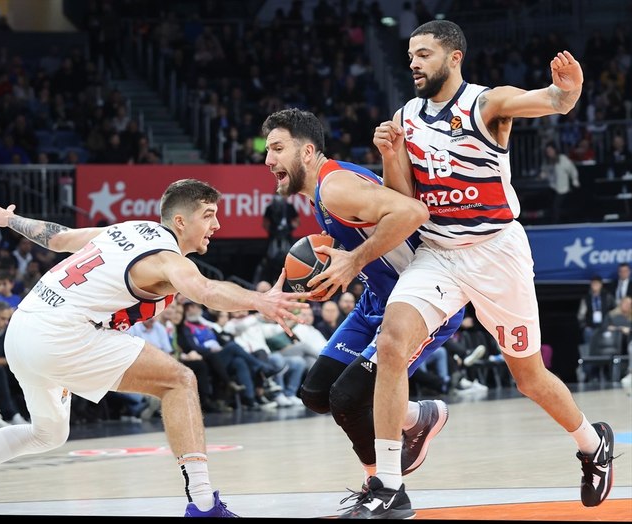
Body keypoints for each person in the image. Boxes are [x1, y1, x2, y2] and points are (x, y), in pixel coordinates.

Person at [0, 180, 311, 518]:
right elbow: (207, 291)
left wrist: (8, 219)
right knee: (179, 380)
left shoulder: (126, 229)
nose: (217, 225)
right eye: (209, 215)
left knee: (48, 435)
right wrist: (262, 301)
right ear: (181, 221)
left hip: (24, 325)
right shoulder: (166, 257)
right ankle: (204, 505)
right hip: (61, 335)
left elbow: (58, 239)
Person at [368, 19, 614, 517]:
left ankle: (592, 444)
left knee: (529, 378)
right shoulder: (405, 116)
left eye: (424, 54)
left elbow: (550, 101)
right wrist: (391, 154)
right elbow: (406, 200)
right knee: (391, 343)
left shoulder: (487, 103)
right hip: (438, 251)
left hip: (496, 252)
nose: (413, 63)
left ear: (453, 57)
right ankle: (388, 486)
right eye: (410, 55)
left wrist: (568, 92)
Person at [261, 107, 464, 518]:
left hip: (421, 303)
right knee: (317, 393)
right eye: (266, 150)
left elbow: (413, 213)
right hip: (376, 301)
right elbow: (382, 233)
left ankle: (385, 489)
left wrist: (352, 262)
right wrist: (329, 276)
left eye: (278, 148)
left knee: (348, 397)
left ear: (307, 152)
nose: (268, 160)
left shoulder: (334, 186)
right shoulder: (324, 190)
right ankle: (415, 416)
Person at [538, 140, 579, 223]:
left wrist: (575, 180)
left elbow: (572, 170)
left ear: (555, 150)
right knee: (548, 204)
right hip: (552, 187)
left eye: (550, 150)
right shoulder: (547, 162)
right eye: (547, 151)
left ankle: (557, 223)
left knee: (556, 206)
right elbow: (544, 172)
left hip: (563, 188)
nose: (549, 153)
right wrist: (541, 176)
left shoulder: (562, 159)